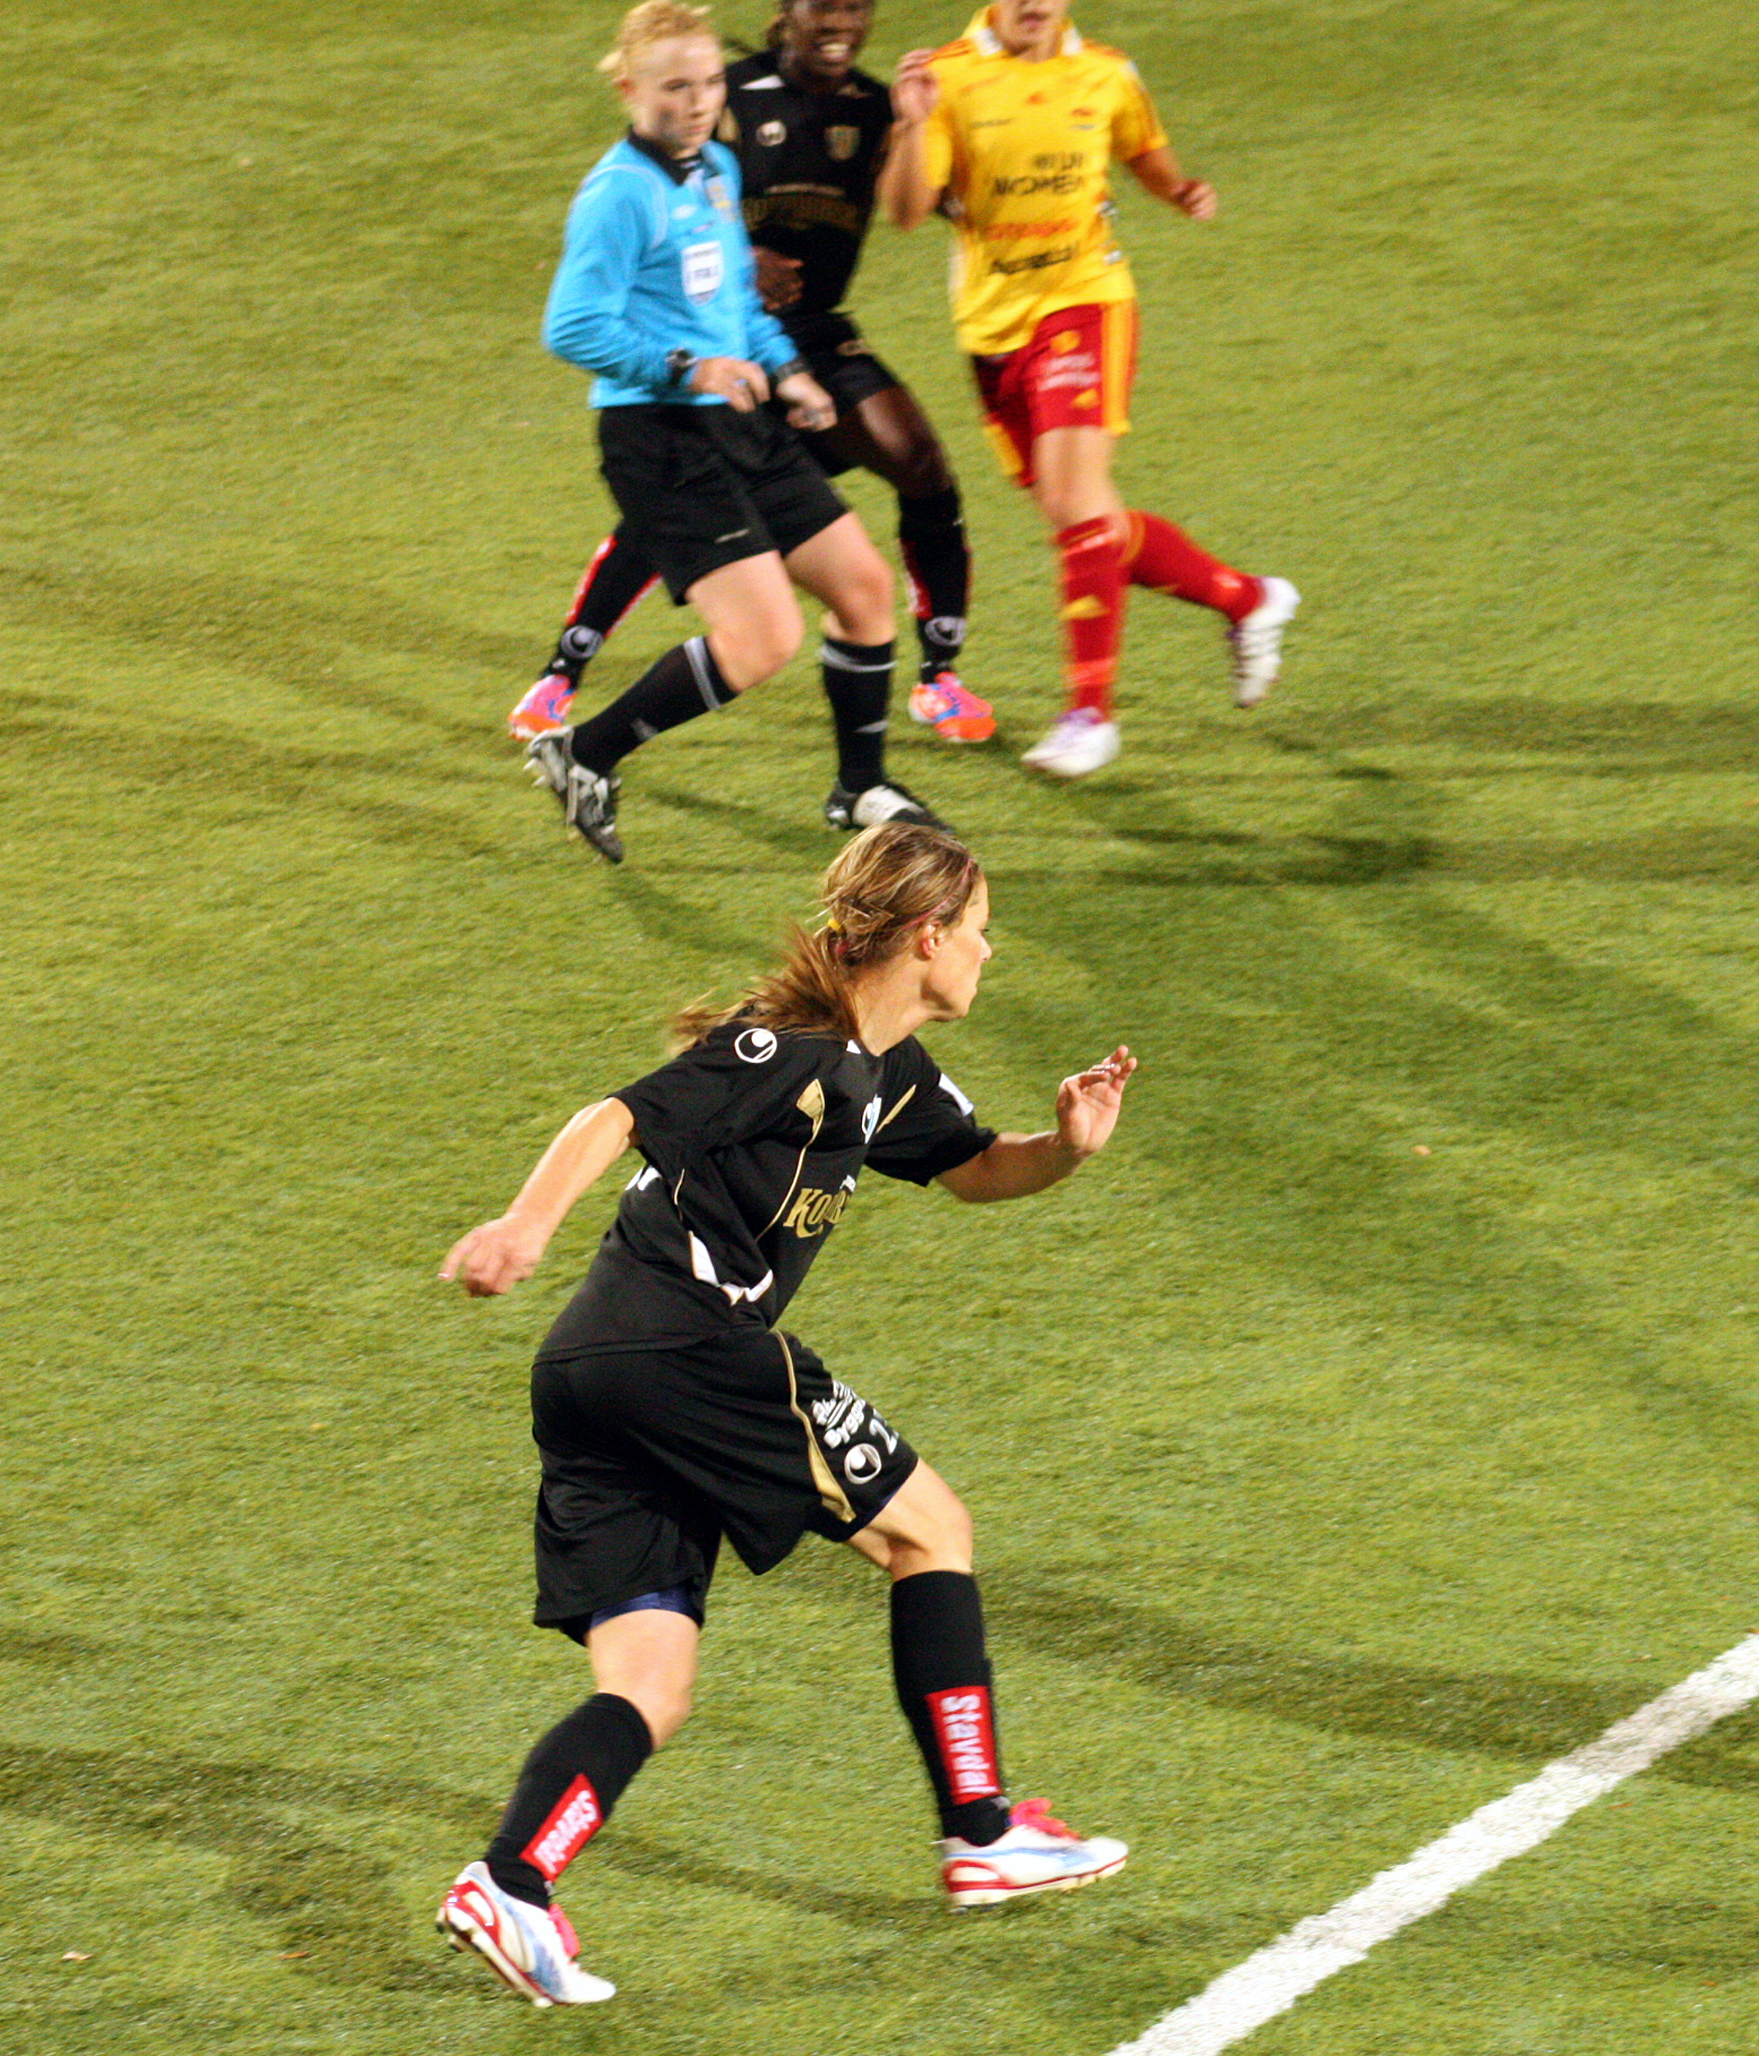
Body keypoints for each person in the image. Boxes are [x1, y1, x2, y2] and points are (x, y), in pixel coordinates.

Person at [430, 821, 1137, 2006]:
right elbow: (618, 1114)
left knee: (648, 1686)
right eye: (978, 929)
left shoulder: (888, 1073)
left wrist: (1065, 1149)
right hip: (685, 1346)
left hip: (596, 1375)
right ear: (927, 936)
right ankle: (981, 1831)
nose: (989, 950)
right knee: (932, 1530)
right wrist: (524, 1224)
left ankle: (512, 1884)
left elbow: (974, 1167)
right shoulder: (788, 1050)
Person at [512, 0, 999, 753]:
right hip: (685, 373)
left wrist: (913, 127)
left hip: (789, 342)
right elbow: (585, 312)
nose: (840, 21)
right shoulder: (673, 144)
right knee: (700, 542)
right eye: (824, 5)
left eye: (856, 6)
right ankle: (568, 678)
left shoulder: (833, 120)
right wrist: (702, 344)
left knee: (913, 474)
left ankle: (923, 697)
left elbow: (899, 215)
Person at [877, 0, 1300, 780]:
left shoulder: (1105, 71)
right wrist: (910, 125)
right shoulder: (946, 77)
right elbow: (904, 213)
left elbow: (1143, 148)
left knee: (1076, 507)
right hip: (992, 330)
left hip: (1087, 302)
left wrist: (1178, 191)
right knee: (1088, 524)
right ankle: (1248, 600)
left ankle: (1090, 717)